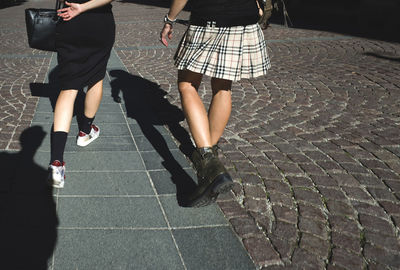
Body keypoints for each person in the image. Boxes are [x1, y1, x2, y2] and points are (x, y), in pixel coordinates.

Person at [160, 0, 270, 206]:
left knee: (187, 84)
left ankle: (209, 165)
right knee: (222, 87)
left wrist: (169, 20)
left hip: (210, 20)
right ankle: (210, 158)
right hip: (244, 20)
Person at [48, 0, 115, 188]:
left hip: (69, 22)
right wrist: (84, 7)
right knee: (96, 78)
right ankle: (85, 132)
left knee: (68, 88)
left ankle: (56, 164)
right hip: (99, 22)